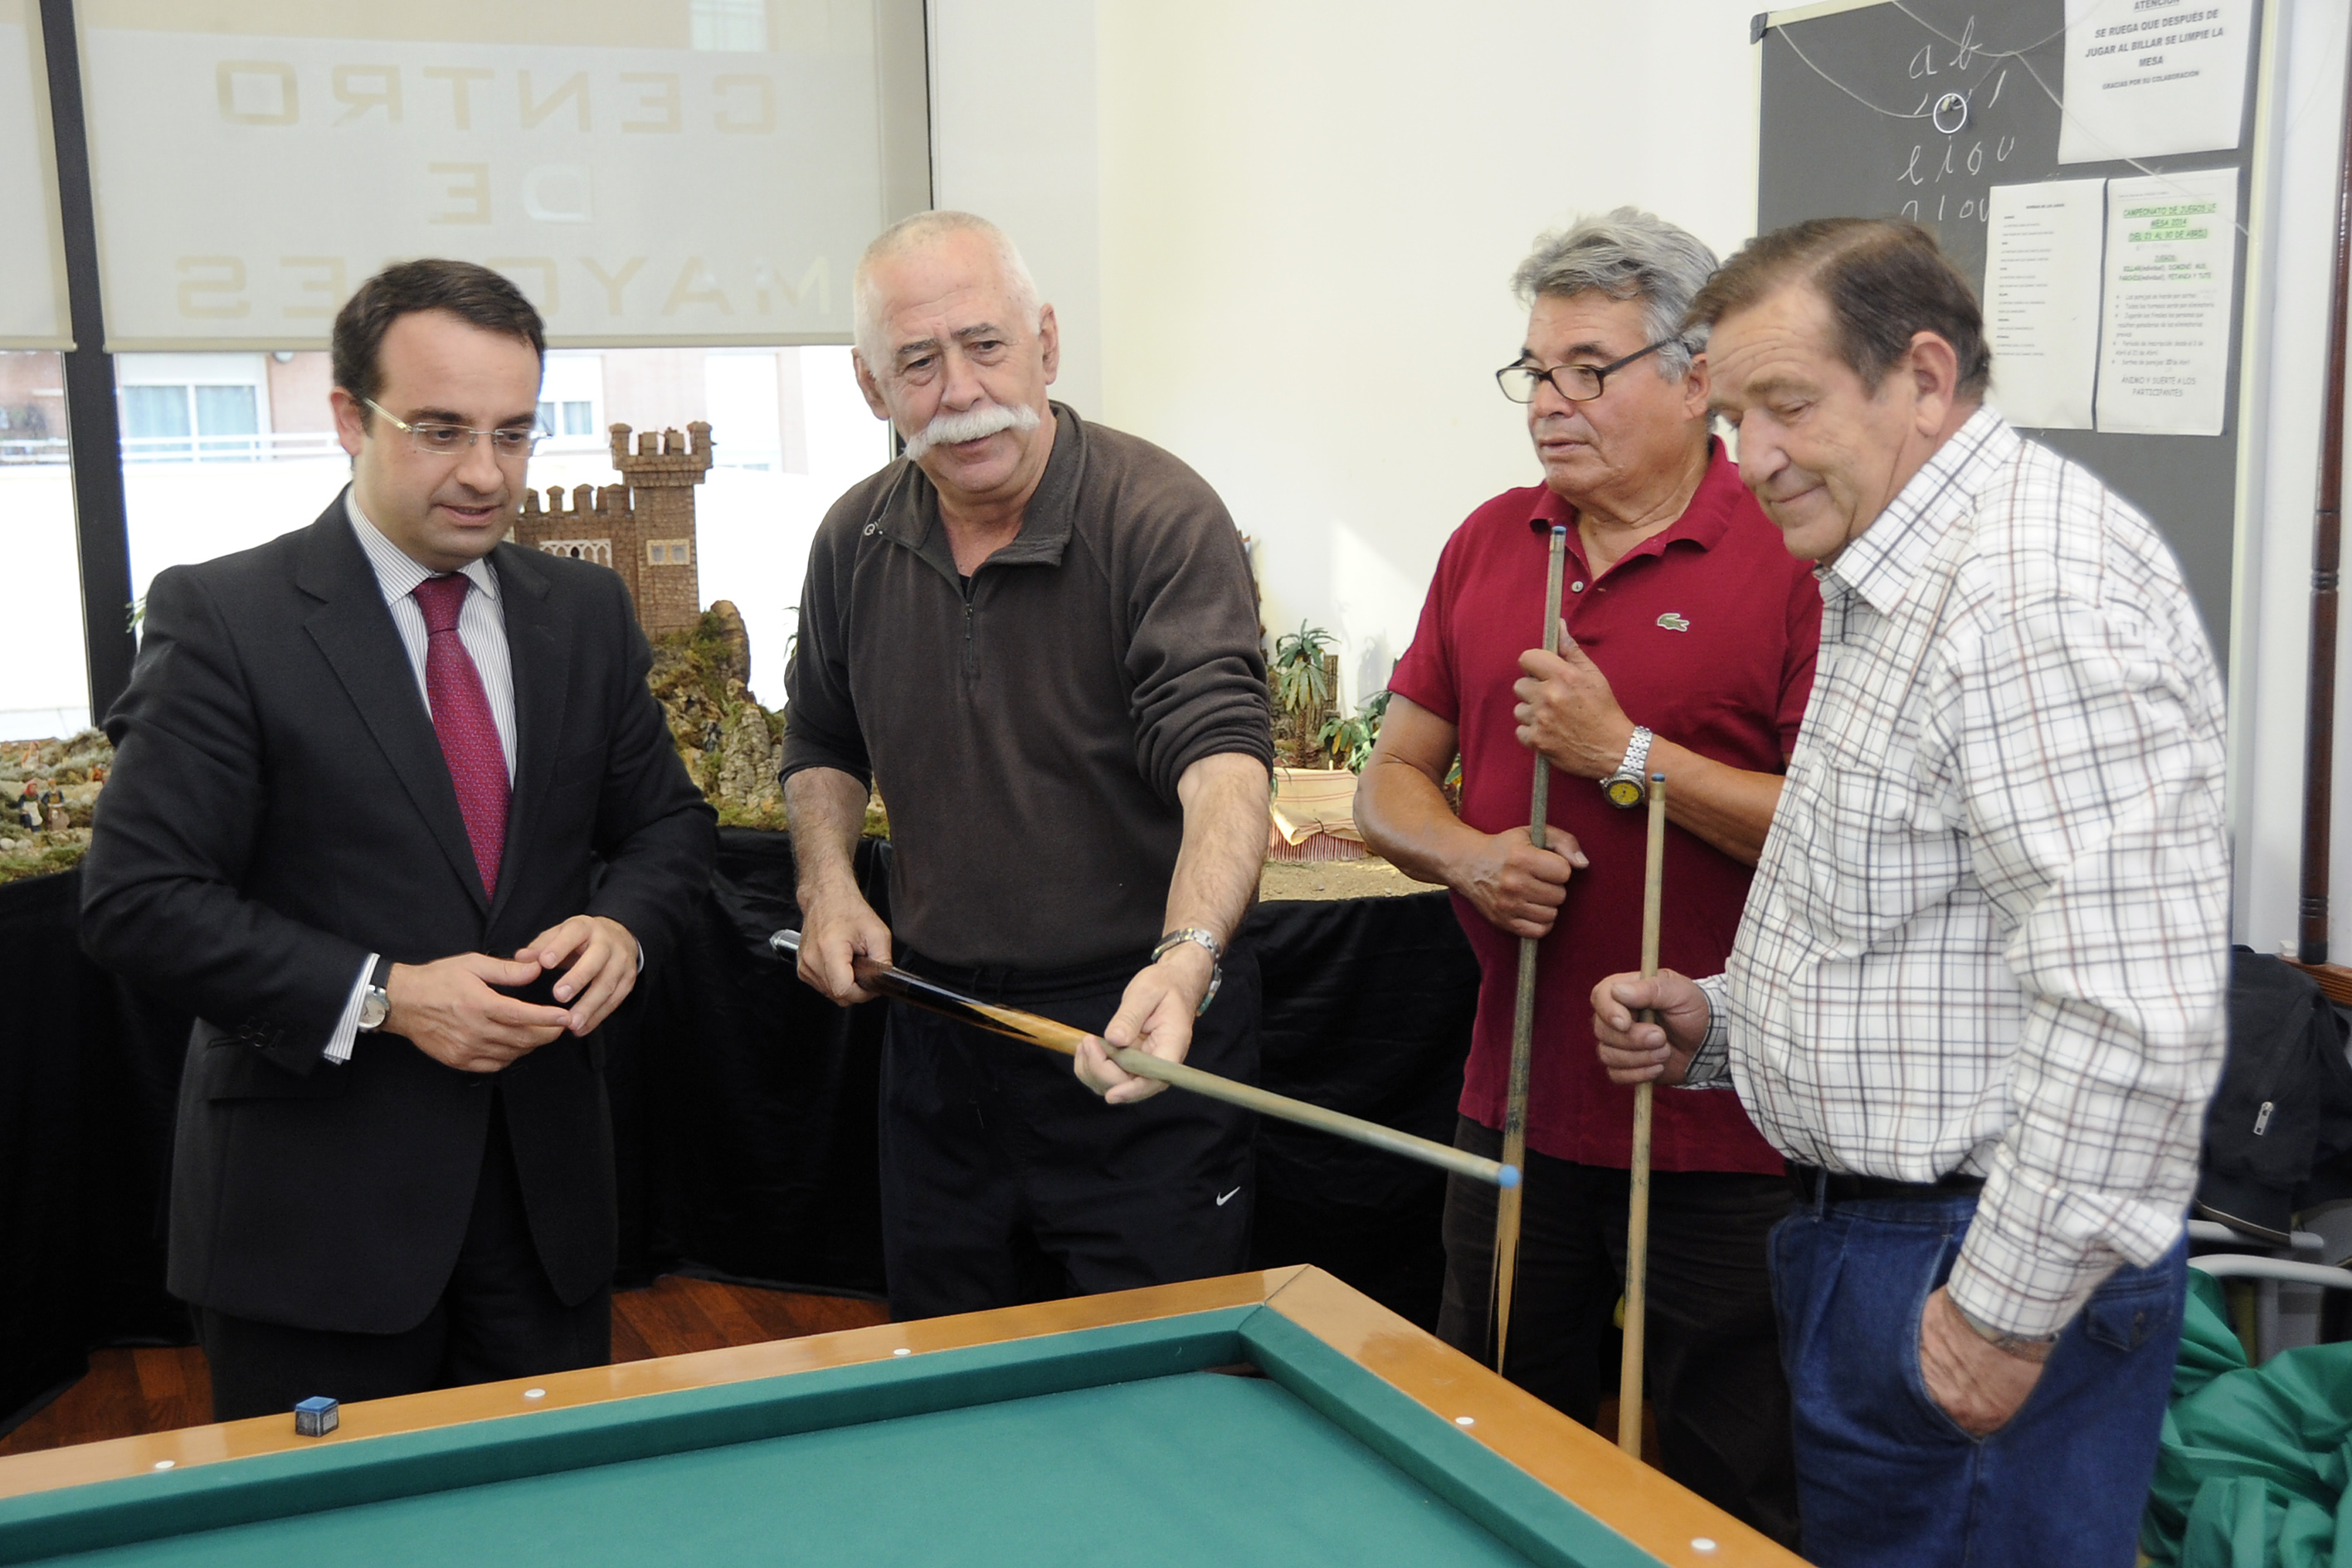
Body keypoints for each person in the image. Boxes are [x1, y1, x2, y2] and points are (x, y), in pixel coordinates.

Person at [1592, 218, 2229, 1568]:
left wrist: (2000, 1313)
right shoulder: (1899, 574)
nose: (1752, 456)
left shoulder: (2025, 591)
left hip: (1969, 1259)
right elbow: (1917, 929)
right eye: (1732, 412)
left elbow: (2134, 1012)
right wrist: (1727, 1024)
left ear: (1925, 379)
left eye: (1789, 405)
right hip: (1883, 1243)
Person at [80, 260, 716, 1420]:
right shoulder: (225, 620)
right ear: (345, 419)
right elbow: (138, 896)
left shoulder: (583, 613)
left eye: (515, 434)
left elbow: (669, 825)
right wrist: (386, 995)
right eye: (441, 430)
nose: (486, 473)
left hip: (547, 1218)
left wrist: (627, 923)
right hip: (313, 1228)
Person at [1354, 208, 1815, 1544]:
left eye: (1589, 369)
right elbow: (1393, 779)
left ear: (1695, 374)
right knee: (1491, 1450)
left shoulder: (1789, 554)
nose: (1550, 405)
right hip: (1512, 1110)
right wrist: (1468, 854)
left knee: (1738, 1479)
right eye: (1535, 371)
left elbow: (1836, 830)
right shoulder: (1498, 541)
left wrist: (1630, 754)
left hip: (1725, 1126)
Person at [783, 212, 1273, 1319]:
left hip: (1142, 1022)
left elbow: (1224, 764)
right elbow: (821, 742)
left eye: (986, 344)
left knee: (1155, 1391)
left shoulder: (1161, 516)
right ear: (872, 388)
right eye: (919, 361)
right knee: (952, 1387)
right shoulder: (850, 536)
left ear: (1047, 343)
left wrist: (1188, 956)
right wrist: (828, 884)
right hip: (936, 1032)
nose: (960, 389)